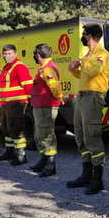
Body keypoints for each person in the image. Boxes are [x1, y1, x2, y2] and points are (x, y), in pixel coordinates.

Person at [66, 24, 109, 194]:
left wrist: (81, 62)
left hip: (93, 98)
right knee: (80, 135)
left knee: (92, 136)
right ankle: (86, 174)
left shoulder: (102, 54)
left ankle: (98, 180)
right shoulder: (89, 54)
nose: (83, 37)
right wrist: (72, 69)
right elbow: (83, 75)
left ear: (90, 36)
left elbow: (94, 70)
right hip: (82, 97)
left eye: (84, 34)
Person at [0, 44, 33, 166]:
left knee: (17, 129)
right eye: (5, 54)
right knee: (6, 128)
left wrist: (30, 101)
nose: (6, 56)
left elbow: (28, 85)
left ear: (15, 54)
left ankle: (21, 156)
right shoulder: (6, 68)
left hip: (16, 103)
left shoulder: (19, 67)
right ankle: (9, 152)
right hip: (6, 103)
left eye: (9, 53)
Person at [30, 43, 63, 178]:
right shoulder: (43, 68)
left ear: (38, 55)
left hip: (46, 106)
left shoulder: (48, 69)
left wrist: (59, 97)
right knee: (40, 134)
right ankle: (43, 161)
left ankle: (50, 165)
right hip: (40, 106)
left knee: (47, 134)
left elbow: (54, 87)